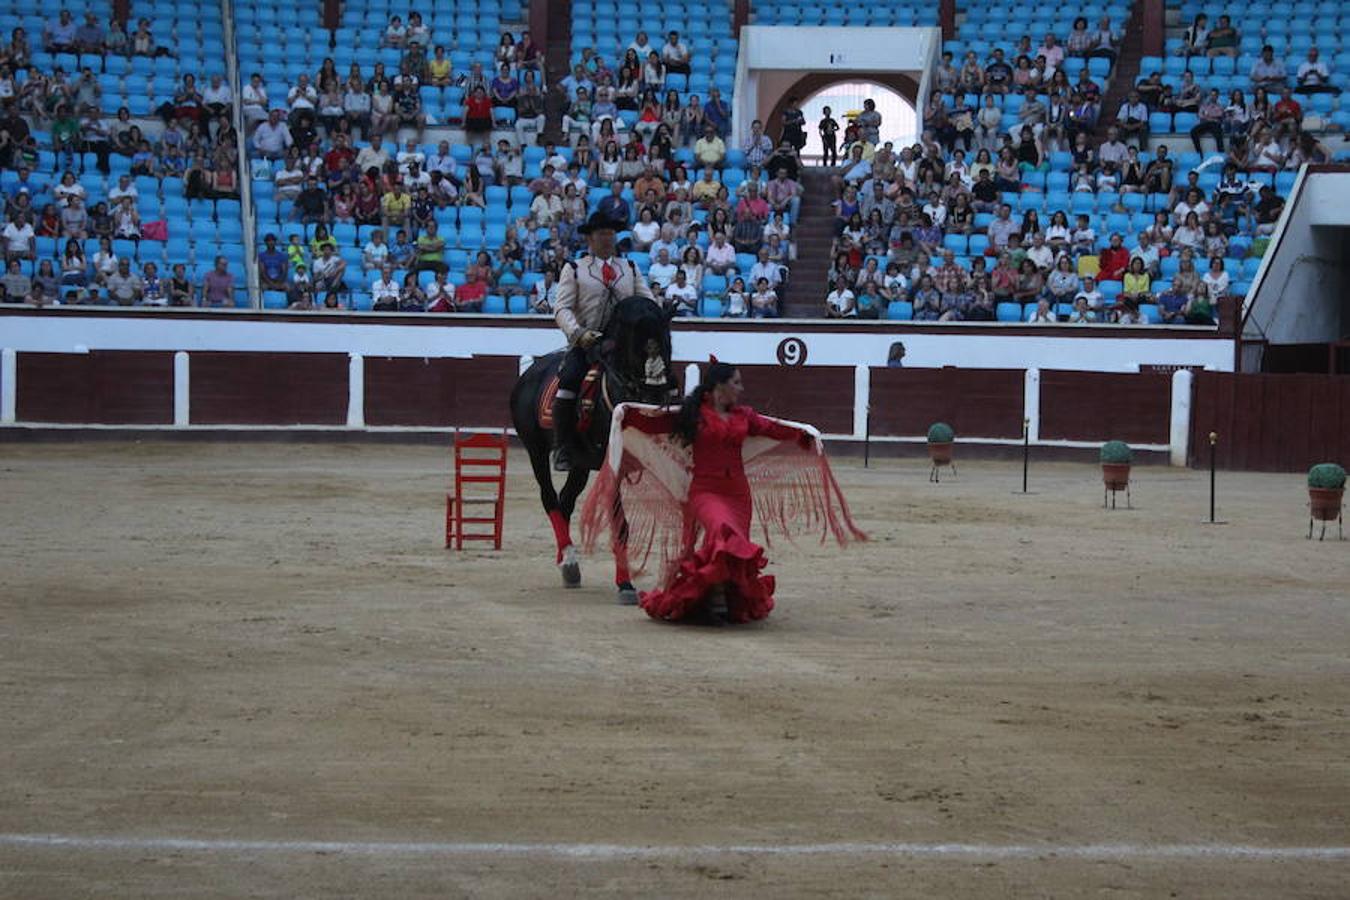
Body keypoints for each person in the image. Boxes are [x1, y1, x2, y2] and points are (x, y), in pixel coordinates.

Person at [580, 360, 864, 624]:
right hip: (705, 492)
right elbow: (653, 424)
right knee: (722, 533)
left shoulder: (745, 416)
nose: (741, 389)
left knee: (733, 545)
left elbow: (774, 428)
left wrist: (802, 435)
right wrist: (626, 416)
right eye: (737, 383)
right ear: (720, 386)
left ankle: (719, 600)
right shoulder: (691, 414)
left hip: (738, 494)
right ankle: (714, 599)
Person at [551, 210, 659, 471]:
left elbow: (648, 302)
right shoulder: (575, 269)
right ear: (590, 239)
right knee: (569, 380)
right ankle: (563, 445)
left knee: (658, 380)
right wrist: (578, 333)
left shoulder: (629, 268)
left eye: (611, 233)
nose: (608, 238)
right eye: (602, 233)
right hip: (588, 343)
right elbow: (561, 308)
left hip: (623, 346)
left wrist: (656, 320)